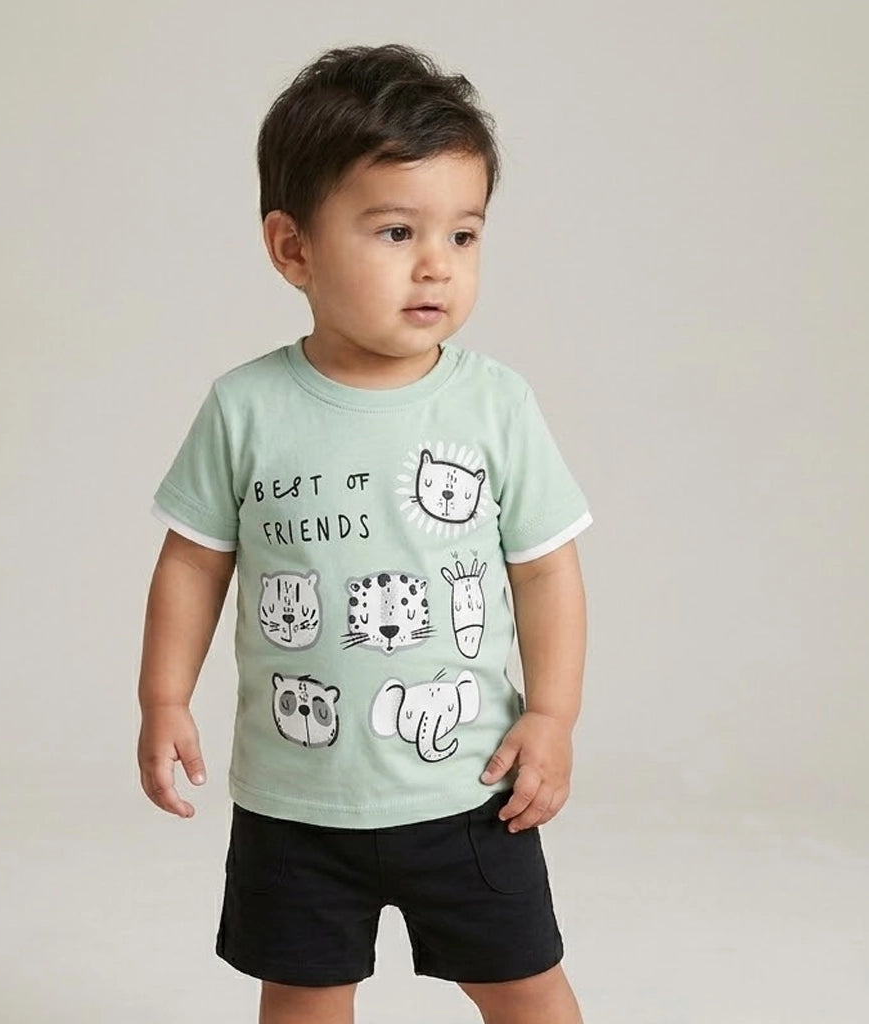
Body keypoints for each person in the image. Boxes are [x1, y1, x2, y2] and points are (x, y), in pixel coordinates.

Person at [137, 42, 593, 1024]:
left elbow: (546, 570)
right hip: (296, 800)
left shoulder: (495, 406)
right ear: (293, 249)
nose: (437, 264)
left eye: (463, 234)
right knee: (302, 999)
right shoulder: (247, 408)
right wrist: (163, 695)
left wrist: (552, 715)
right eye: (395, 231)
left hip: (469, 787)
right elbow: (193, 561)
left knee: (525, 988)